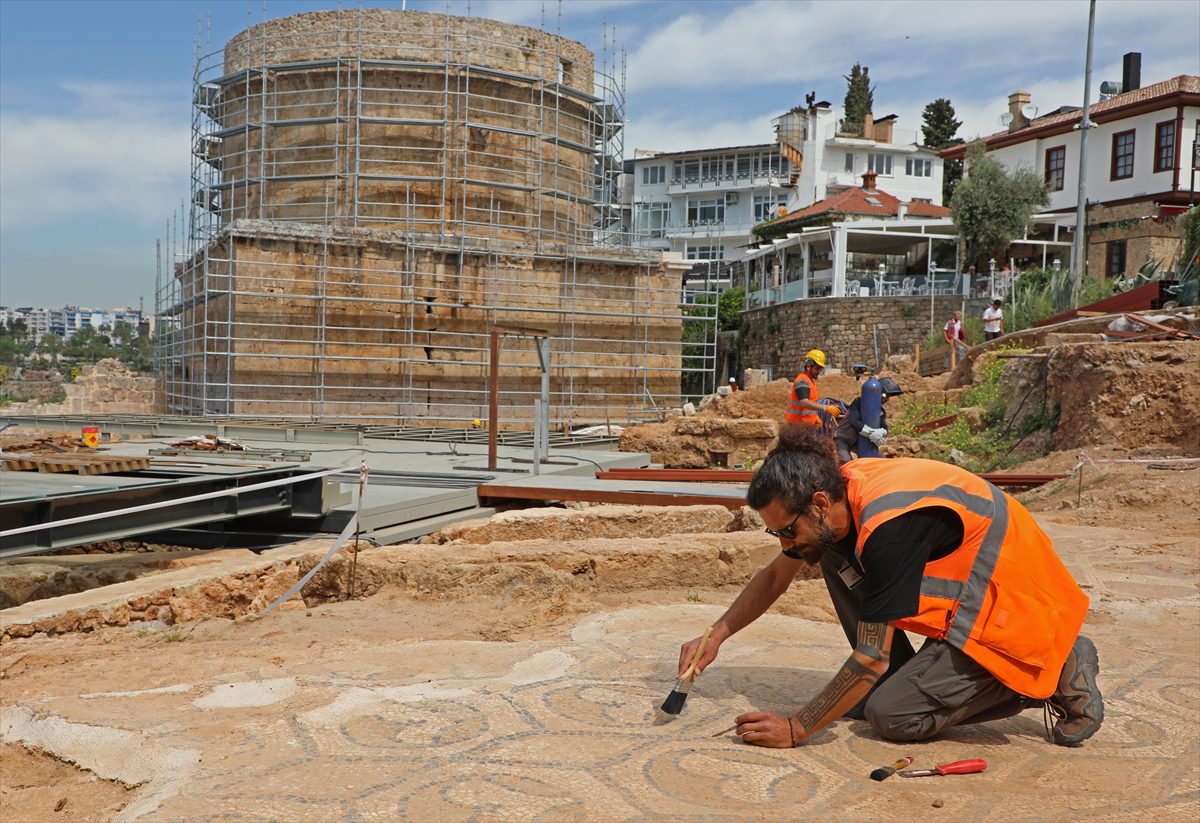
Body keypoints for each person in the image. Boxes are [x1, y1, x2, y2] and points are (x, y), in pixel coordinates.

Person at [676, 426, 1103, 749]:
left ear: (819, 503)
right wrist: (716, 634)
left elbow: (869, 659)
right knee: (821, 552)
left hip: (1016, 611)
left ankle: (1052, 667)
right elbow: (774, 576)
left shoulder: (888, 528)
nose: (785, 543)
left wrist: (797, 727)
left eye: (787, 530)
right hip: (976, 603)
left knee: (891, 715)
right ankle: (919, 677)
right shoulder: (840, 500)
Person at [833, 377, 901, 463]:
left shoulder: (880, 411)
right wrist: (871, 432)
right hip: (842, 439)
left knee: (881, 461)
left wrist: (882, 433)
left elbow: (884, 426)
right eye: (885, 396)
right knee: (846, 461)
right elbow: (854, 422)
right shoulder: (858, 403)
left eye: (888, 397)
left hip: (858, 442)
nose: (887, 399)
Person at [785, 349, 842, 427]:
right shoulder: (802, 381)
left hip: (805, 426)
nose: (819, 372)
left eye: (820, 369)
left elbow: (809, 405)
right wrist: (826, 408)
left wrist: (814, 418)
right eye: (817, 369)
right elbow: (804, 402)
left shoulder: (809, 381)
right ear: (808, 367)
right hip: (798, 428)